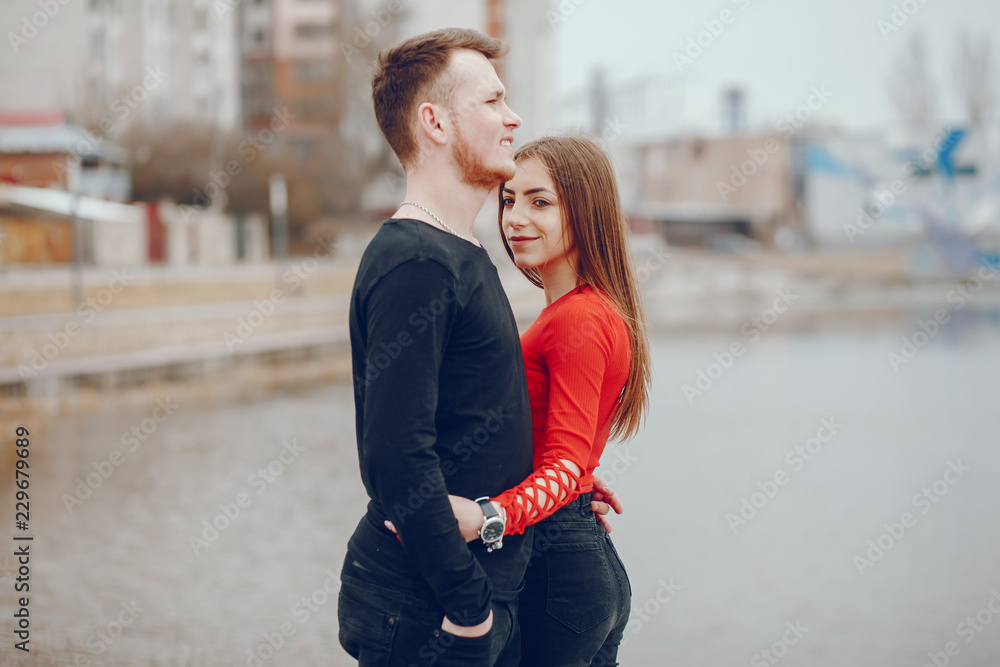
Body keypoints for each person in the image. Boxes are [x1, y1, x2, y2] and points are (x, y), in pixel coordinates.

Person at [339, 27, 550, 667]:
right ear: (433, 121)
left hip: (467, 593)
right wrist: (469, 612)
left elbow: (478, 414)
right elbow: (397, 457)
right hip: (431, 606)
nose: (513, 117)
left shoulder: (459, 250)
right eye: (491, 102)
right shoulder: (417, 261)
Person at [441, 135, 652, 667]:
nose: (515, 217)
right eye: (509, 199)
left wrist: (485, 517)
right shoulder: (583, 311)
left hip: (557, 566)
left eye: (540, 202)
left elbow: (561, 464)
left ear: (586, 211)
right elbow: (566, 457)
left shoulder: (579, 319)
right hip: (575, 558)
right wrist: (577, 481)